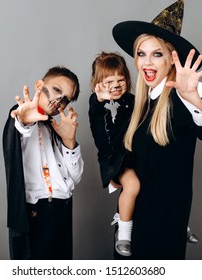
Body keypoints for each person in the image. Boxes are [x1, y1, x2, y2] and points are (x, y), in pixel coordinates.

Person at [111, 0, 202, 259]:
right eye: (141, 54)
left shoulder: (182, 99)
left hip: (163, 227)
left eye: (157, 54)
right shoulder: (139, 104)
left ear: (172, 59)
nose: (146, 63)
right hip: (132, 222)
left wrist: (193, 98)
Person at [2, 66, 83, 260]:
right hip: (35, 213)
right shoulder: (20, 115)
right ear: (40, 85)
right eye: (56, 90)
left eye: (65, 99)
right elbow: (19, 130)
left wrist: (69, 141)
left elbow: (74, 178)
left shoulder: (55, 128)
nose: (58, 101)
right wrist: (25, 121)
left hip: (61, 209)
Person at [88, 52, 138, 257]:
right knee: (133, 185)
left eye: (121, 79)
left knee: (161, 176)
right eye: (109, 81)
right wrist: (101, 98)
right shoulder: (97, 102)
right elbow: (96, 111)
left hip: (134, 155)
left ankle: (178, 224)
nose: (116, 85)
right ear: (98, 84)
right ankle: (124, 234)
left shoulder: (132, 100)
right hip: (113, 159)